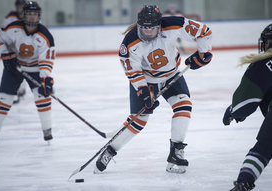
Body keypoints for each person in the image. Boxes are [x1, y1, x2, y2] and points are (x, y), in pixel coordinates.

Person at [94, 5, 213, 174]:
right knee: (139, 121)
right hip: (146, 80)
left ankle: (176, 152)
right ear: (138, 25)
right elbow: (132, 71)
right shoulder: (129, 43)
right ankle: (110, 149)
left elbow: (204, 31)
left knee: (184, 106)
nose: (148, 32)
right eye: (144, 28)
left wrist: (203, 53)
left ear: (160, 24)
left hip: (171, 74)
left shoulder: (173, 24)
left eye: (153, 28)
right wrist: (143, 90)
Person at [0, 1, 55, 147]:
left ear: (39, 16)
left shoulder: (45, 35)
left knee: (43, 98)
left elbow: (45, 59)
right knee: (4, 98)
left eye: (34, 14)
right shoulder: (13, 27)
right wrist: (5, 54)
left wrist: (46, 78)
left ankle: (47, 130)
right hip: (14, 67)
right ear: (23, 14)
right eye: (29, 13)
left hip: (35, 69)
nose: (31, 17)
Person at [223, 24, 272, 191]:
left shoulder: (264, 63)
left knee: (264, 148)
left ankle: (244, 182)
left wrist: (233, 112)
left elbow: (245, 103)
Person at [2, 0, 27, 104]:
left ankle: (22, 89)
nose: (21, 8)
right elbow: (3, 33)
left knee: (26, 68)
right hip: (13, 48)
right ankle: (15, 91)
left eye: (23, 6)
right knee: (13, 69)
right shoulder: (10, 17)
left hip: (27, 48)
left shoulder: (31, 15)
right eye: (19, 6)